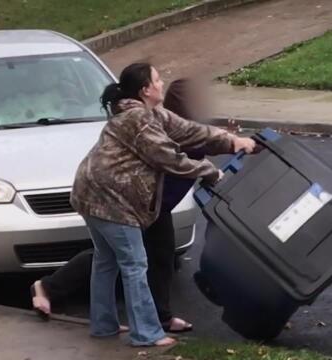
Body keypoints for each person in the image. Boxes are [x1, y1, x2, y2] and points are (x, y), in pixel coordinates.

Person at [47, 63, 255, 347]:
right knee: (134, 264)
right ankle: (146, 333)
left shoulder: (150, 113)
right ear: (146, 89)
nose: (161, 83)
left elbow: (190, 130)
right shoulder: (139, 120)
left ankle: (104, 325)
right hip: (111, 200)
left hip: (91, 193)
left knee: (106, 262)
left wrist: (232, 141)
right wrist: (209, 170)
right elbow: (169, 158)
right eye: (157, 80)